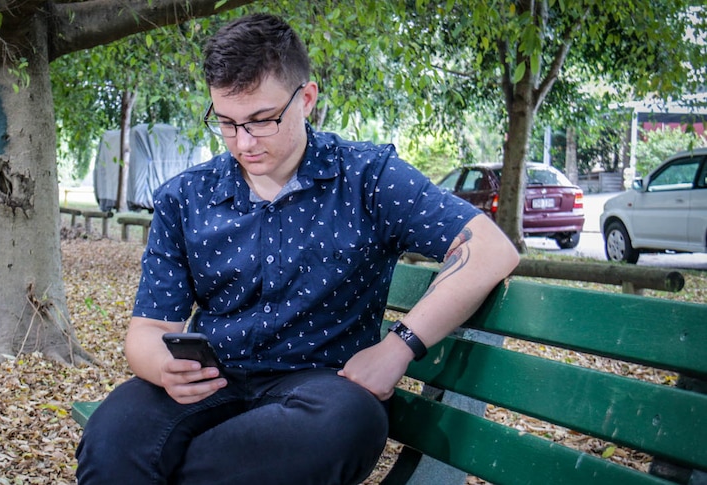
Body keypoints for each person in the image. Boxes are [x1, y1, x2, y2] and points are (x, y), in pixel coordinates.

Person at [76, 13, 519, 485]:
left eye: (261, 121)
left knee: (348, 423)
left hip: (319, 390)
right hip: (210, 382)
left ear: (305, 98)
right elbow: (147, 330)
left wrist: (399, 346)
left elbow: (491, 250)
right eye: (225, 122)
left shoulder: (368, 178)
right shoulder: (185, 198)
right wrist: (164, 366)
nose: (243, 142)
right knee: (111, 439)